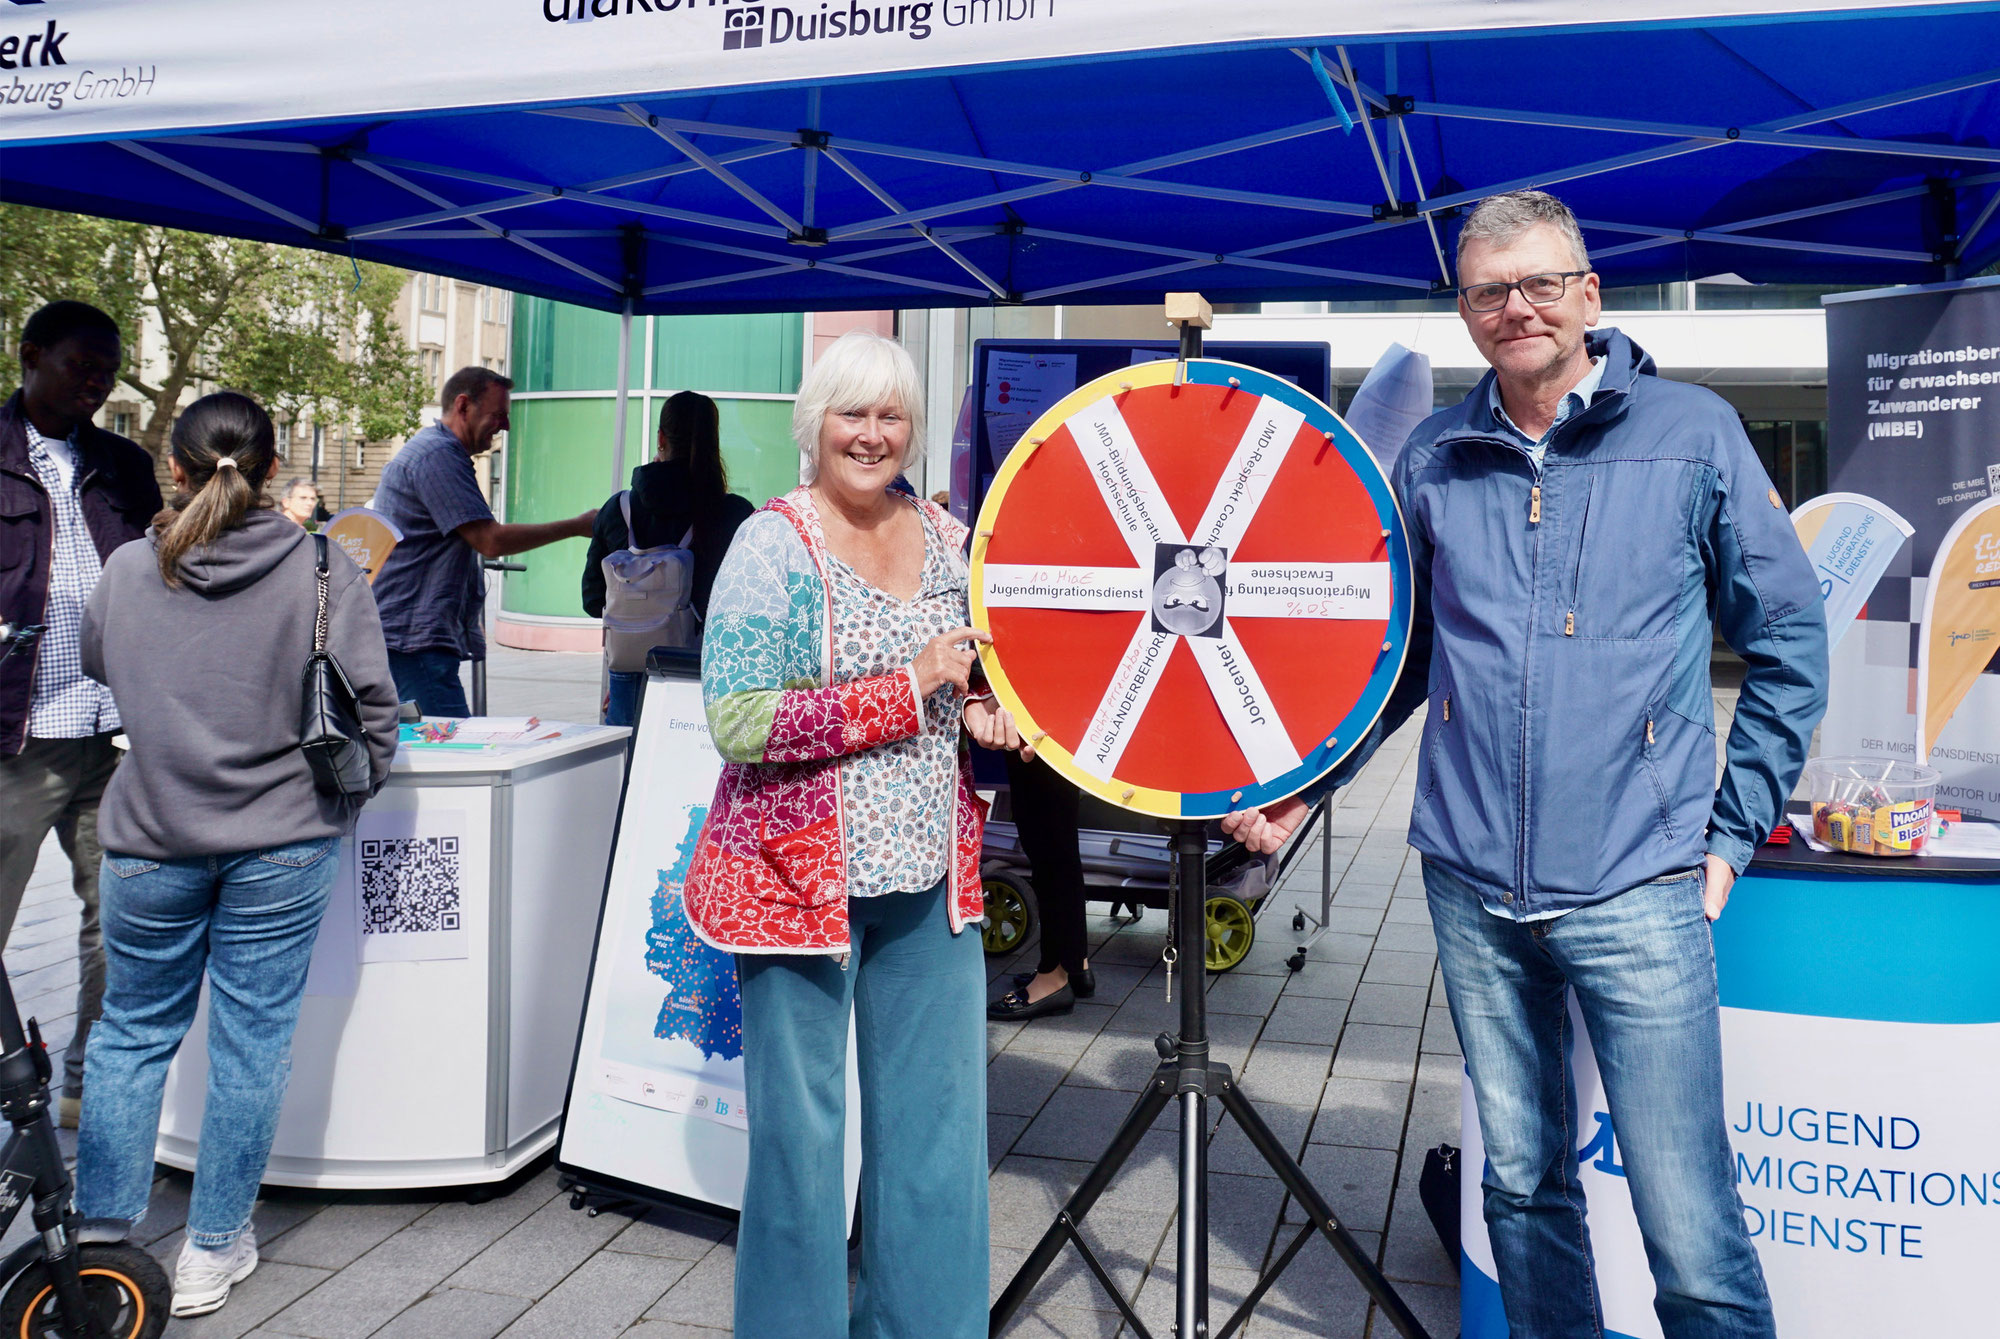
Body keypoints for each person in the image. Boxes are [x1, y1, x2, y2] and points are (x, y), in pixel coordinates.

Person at [1224, 190, 1826, 1339]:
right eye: (1488, 290)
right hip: (1469, 886)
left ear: (1586, 294)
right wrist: (1306, 788)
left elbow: (1789, 635)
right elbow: (1397, 662)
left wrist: (1730, 834)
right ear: (1463, 312)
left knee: (1687, 1225)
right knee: (1520, 1188)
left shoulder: (1690, 432)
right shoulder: (1436, 458)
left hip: (1639, 882)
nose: (1517, 308)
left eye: (1540, 283)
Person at [683, 329, 1029, 1339]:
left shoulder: (948, 536)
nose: (872, 435)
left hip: (931, 878)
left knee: (934, 1139)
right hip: (797, 889)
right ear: (814, 424)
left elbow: (969, 680)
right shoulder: (771, 543)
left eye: (891, 415)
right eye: (853, 413)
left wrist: (979, 715)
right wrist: (903, 687)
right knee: (800, 1143)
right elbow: (737, 719)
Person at [76, 391, 398, 1318]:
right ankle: (212, 1249)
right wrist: (350, 791)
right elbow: (374, 709)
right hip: (283, 840)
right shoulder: (322, 567)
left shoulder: (133, 567)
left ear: (174, 467)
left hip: (148, 835)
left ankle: (101, 1242)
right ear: (269, 470)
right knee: (251, 1044)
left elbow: (101, 663)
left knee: (130, 1036)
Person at [0, 299, 161, 1130]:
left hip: (114, 731)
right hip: (17, 738)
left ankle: (85, 1082)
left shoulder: (126, 465)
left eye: (106, 372)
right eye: (80, 367)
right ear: (30, 355)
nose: (96, 385)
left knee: (120, 917)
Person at [370, 367, 595, 716]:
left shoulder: (437, 452)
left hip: (411, 637)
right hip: (413, 641)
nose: (505, 426)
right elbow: (490, 540)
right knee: (448, 755)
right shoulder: (437, 456)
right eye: (498, 415)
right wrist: (578, 525)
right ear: (463, 405)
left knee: (430, 750)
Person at [581, 390, 754, 725]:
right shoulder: (734, 515)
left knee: (627, 772)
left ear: (661, 438)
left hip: (628, 674)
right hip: (703, 676)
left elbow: (592, 600)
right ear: (712, 442)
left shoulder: (617, 510)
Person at [985, 751, 1095, 1020]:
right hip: (1052, 725)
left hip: (1043, 725)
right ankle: (1074, 963)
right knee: (1056, 843)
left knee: (1048, 841)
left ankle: (1054, 978)